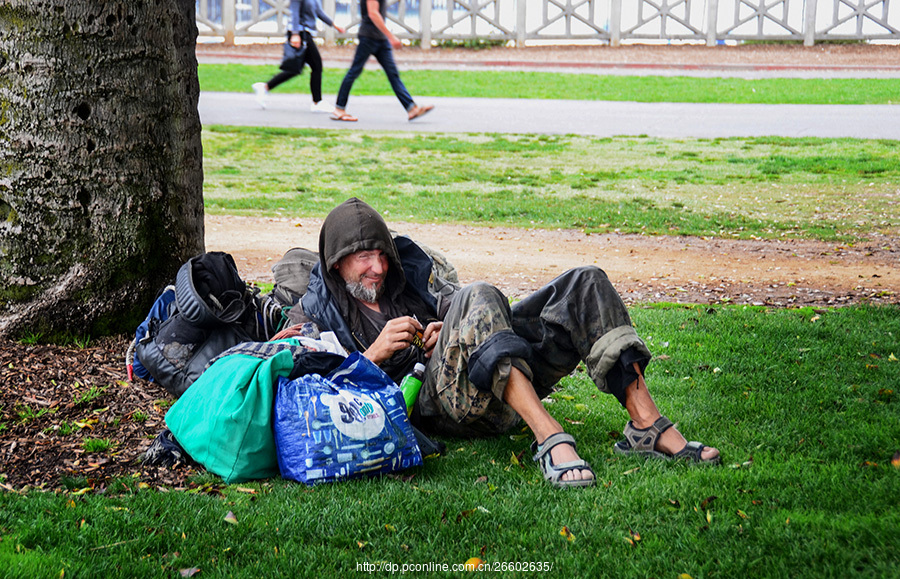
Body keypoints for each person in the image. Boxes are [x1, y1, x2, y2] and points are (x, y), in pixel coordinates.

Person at [285, 198, 720, 488]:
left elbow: (462, 306)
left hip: (491, 372)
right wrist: (372, 355)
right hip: (446, 406)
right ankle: (550, 438)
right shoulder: (314, 312)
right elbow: (306, 393)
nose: (377, 267)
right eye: (364, 257)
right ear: (336, 261)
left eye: (381, 254)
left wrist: (442, 327)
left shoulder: (407, 278)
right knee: (479, 293)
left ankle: (646, 426)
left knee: (584, 282)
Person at [330, 0, 433, 122]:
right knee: (354, 71)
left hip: (380, 39)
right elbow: (373, 13)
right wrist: (391, 36)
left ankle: (411, 108)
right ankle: (339, 109)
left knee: (393, 74)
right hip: (368, 37)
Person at [252, 0, 345, 113]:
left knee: (296, 68)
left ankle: (265, 87)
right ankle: (317, 102)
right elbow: (294, 13)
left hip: (305, 33)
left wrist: (334, 25)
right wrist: (295, 35)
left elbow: (318, 12)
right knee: (316, 65)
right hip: (300, 33)